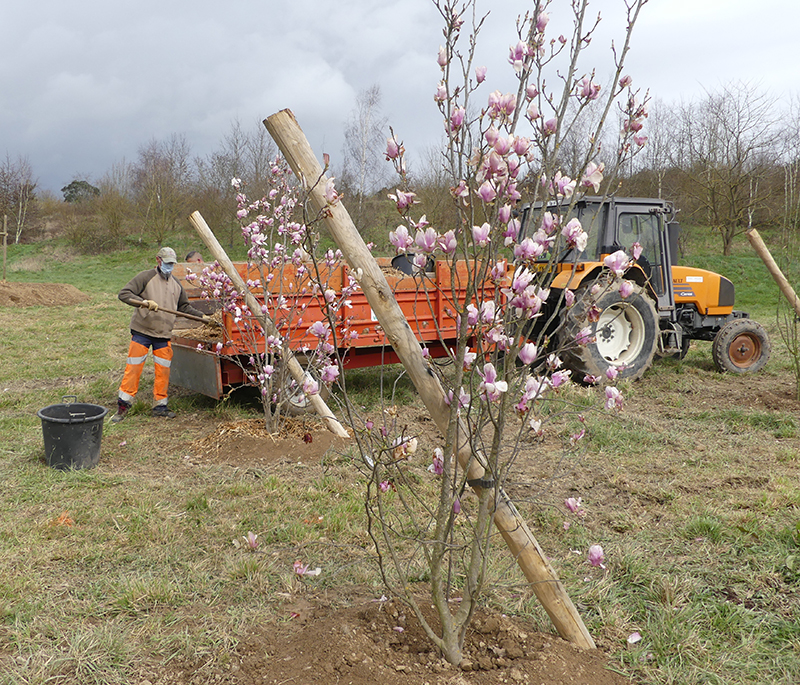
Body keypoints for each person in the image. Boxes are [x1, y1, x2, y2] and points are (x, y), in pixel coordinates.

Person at [112, 246, 211, 423]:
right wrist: (144, 302)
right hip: (142, 330)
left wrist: (202, 317)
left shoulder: (176, 284)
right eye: (166, 263)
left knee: (163, 371)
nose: (169, 267)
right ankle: (123, 406)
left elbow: (184, 307)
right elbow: (124, 294)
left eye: (172, 264)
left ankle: (160, 407)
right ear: (158, 260)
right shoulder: (145, 277)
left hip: (164, 334)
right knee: (134, 368)